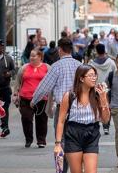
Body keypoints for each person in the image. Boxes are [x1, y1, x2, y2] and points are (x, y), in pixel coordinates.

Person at [32, 37, 82, 173]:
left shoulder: (56, 66)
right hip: (79, 109)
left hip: (62, 109)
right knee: (76, 142)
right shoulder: (79, 65)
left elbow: (44, 86)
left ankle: (61, 170)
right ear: (71, 49)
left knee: (61, 142)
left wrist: (33, 101)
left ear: (60, 50)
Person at [53, 65, 111, 173]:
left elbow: (106, 120)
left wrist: (103, 99)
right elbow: (60, 121)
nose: (94, 78)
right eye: (90, 75)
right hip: (73, 134)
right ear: (81, 78)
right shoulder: (70, 96)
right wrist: (58, 144)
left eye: (95, 75)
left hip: (92, 133)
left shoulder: (98, 95)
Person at [13, 48, 50, 148]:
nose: (31, 58)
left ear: (40, 57)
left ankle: (41, 141)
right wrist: (15, 94)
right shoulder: (24, 68)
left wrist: (52, 96)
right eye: (30, 56)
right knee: (26, 118)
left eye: (34, 56)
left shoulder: (47, 67)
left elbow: (51, 82)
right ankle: (28, 139)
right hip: (25, 98)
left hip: (42, 98)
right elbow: (18, 82)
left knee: (41, 120)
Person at [90, 42, 116, 135]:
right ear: (104, 50)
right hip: (106, 88)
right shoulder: (111, 62)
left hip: (95, 88)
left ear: (96, 51)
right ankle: (106, 127)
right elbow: (114, 73)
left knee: (95, 107)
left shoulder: (92, 63)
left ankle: (95, 125)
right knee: (106, 107)